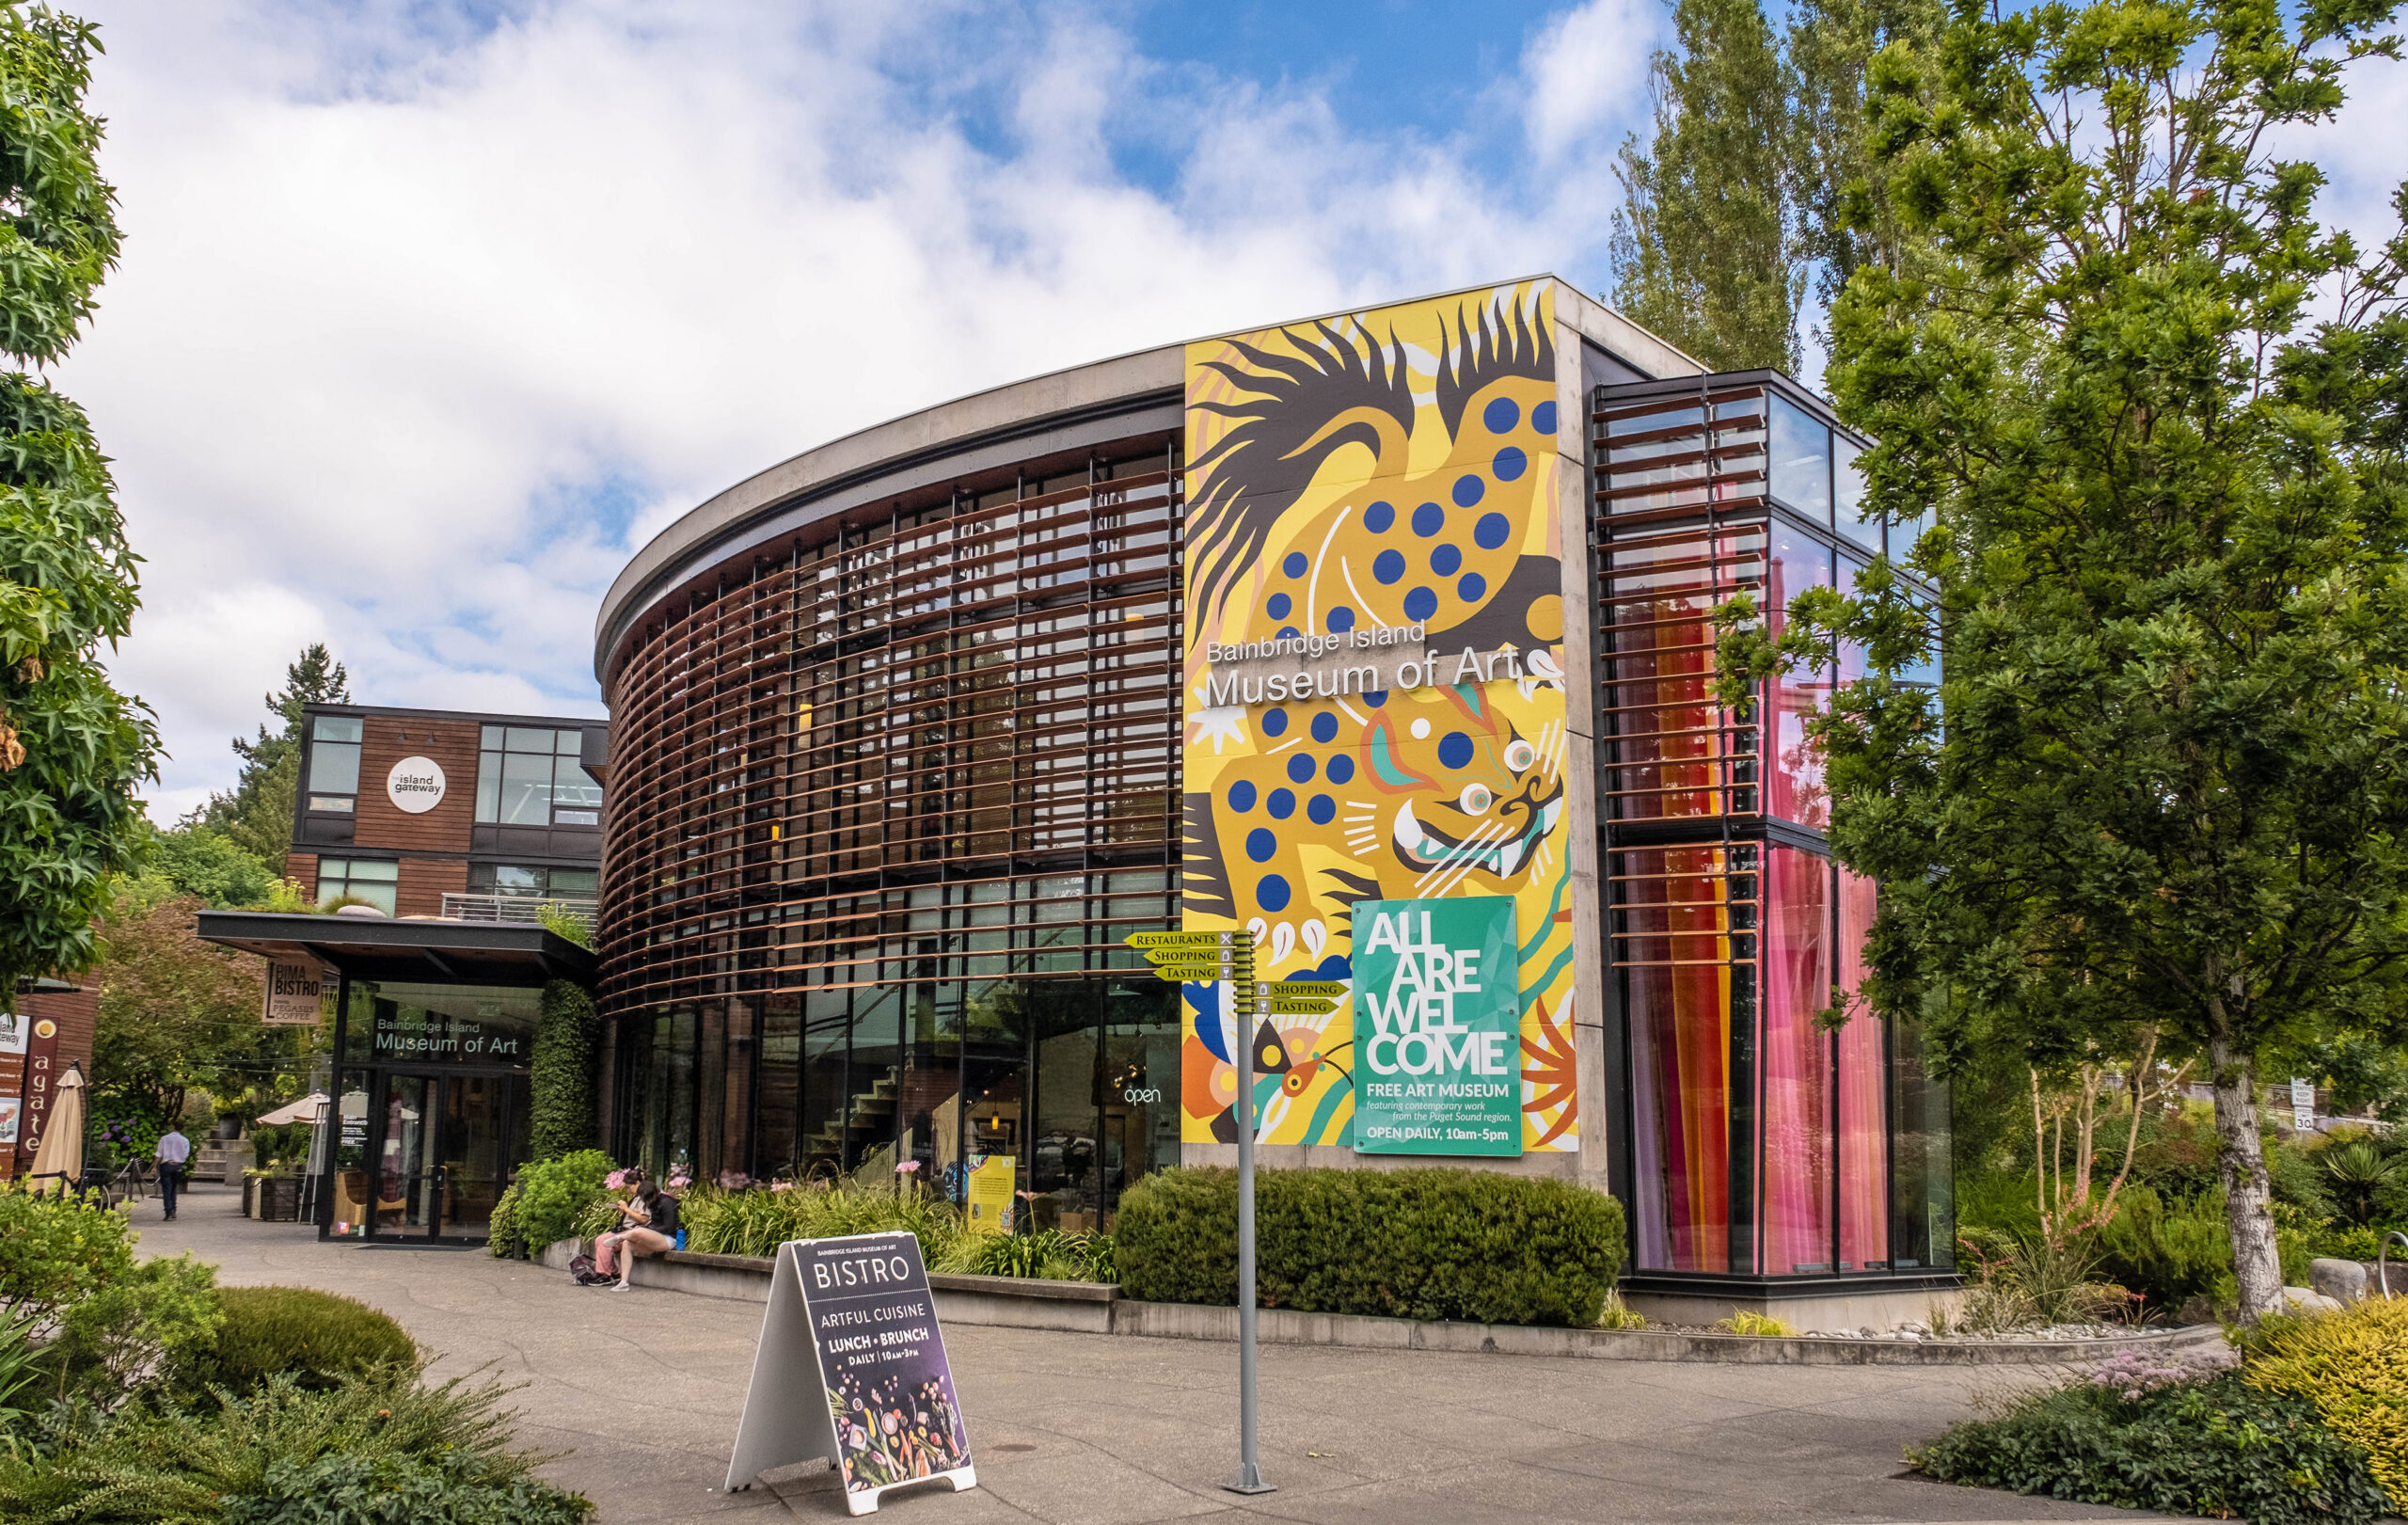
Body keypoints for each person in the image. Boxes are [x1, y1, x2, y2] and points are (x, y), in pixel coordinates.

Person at [591, 1168, 678, 1290]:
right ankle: (623, 1283)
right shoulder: (654, 1201)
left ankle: (620, 1237)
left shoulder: (667, 1202)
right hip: (653, 1235)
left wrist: (650, 1230)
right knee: (627, 1244)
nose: (645, 1203)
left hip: (668, 1239)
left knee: (638, 1231)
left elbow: (669, 1227)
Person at [154, 1123, 191, 1220]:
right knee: (173, 1188)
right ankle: (173, 1209)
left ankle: (168, 1211)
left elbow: (159, 1153)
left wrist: (154, 1166)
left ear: (172, 1127)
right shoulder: (185, 1140)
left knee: (167, 1189)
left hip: (166, 1165)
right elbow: (186, 1155)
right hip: (178, 1166)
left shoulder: (164, 1138)